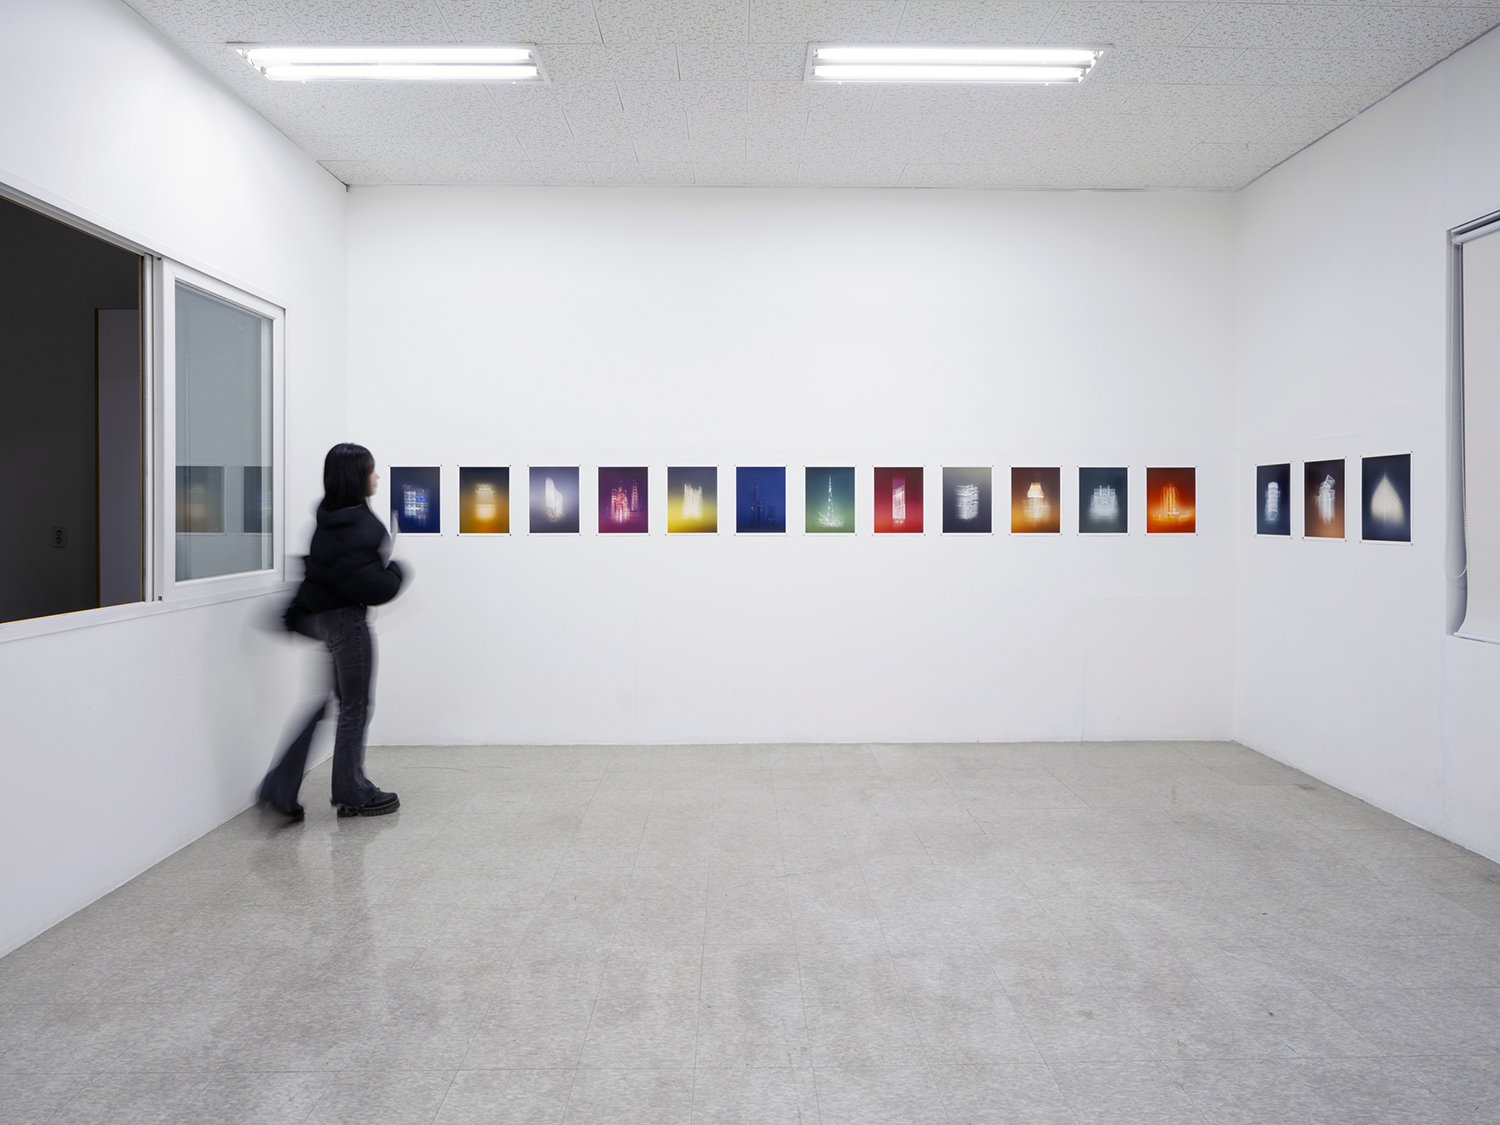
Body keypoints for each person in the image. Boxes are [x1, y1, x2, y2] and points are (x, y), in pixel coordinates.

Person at [259, 443, 405, 820]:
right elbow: (372, 586)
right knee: (354, 707)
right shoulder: (360, 525)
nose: (376, 476)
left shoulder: (327, 518)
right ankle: (352, 792)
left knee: (330, 701)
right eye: (371, 470)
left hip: (321, 620)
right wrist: (396, 572)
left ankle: (281, 782)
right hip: (346, 623)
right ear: (357, 477)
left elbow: (323, 572)